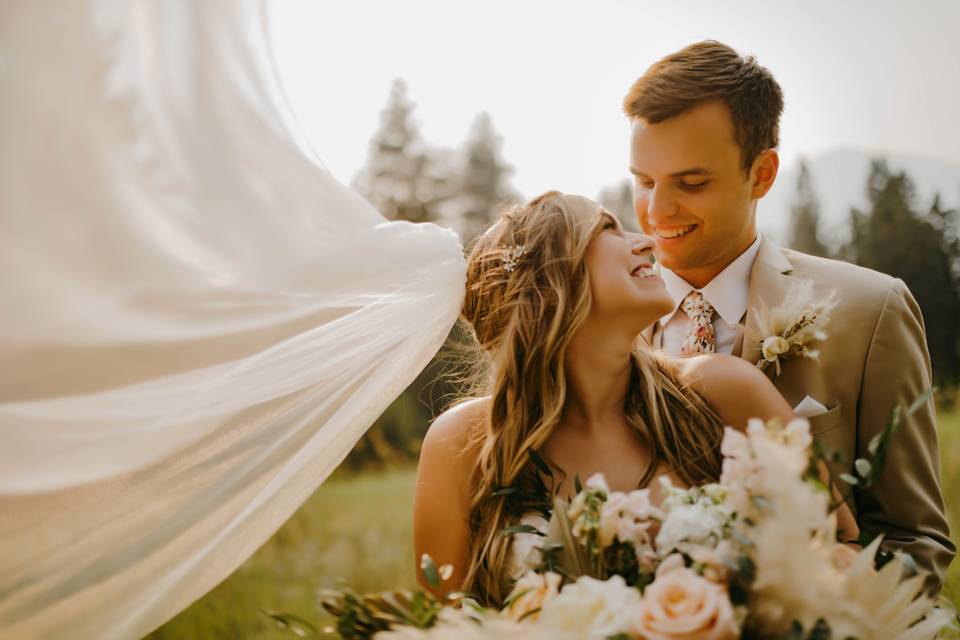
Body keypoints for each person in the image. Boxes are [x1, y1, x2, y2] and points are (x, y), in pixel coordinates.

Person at [413, 191, 859, 605]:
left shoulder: (724, 393)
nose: (646, 241)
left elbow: (842, 549)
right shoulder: (463, 445)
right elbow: (446, 623)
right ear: (548, 286)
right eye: (606, 229)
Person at [625, 40, 953, 590]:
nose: (657, 211)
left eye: (692, 182)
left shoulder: (871, 313)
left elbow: (914, 542)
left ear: (762, 174)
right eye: (644, 180)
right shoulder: (600, 321)